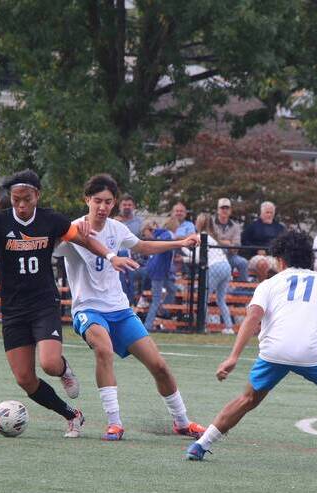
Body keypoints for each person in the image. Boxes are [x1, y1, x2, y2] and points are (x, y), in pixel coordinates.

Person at [0, 169, 139, 438]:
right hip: (13, 309)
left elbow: (85, 239)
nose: (20, 205)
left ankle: (65, 370)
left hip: (43, 302)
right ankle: (72, 415)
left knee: (50, 364)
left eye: (26, 199)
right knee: (25, 379)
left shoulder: (50, 220)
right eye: (16, 199)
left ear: (37, 196)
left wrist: (111, 256)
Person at [185, 230, 317, 467]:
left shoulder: (269, 284)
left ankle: (201, 445)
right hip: (312, 352)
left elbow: (252, 318)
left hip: (273, 352)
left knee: (248, 399)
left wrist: (233, 357)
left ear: (281, 260)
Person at [55, 174, 207, 440]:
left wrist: (180, 243)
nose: (102, 207)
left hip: (120, 310)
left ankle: (182, 422)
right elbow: (52, 246)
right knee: (104, 349)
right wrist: (63, 237)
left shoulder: (116, 228)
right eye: (97, 201)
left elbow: (143, 246)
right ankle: (114, 422)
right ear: (87, 200)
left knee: (158, 365)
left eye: (108, 202)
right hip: (88, 309)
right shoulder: (74, 229)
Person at [191, 212, 236, 335]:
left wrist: (184, 252)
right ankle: (229, 327)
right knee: (221, 299)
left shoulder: (201, 236)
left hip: (215, 267)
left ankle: (203, 326)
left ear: (200, 223)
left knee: (204, 298)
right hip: (226, 267)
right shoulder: (213, 237)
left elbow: (197, 258)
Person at [141, 220, 181, 332]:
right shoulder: (165, 235)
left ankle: (163, 310)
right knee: (156, 299)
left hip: (163, 271)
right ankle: (147, 325)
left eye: (146, 233)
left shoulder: (165, 234)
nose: (146, 236)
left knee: (172, 289)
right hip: (158, 271)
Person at [241, 201, 286, 280]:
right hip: (256, 256)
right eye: (267, 212)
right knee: (262, 264)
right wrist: (256, 250)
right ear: (261, 213)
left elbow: (283, 243)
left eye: (271, 213)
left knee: (283, 265)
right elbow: (244, 241)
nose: (269, 215)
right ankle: (263, 288)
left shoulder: (280, 228)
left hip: (274, 256)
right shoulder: (252, 226)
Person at [213, 198, 250, 285]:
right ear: (218, 210)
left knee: (243, 262)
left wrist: (220, 241)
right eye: (222, 208)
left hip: (230, 256)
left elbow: (236, 246)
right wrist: (227, 242)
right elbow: (210, 241)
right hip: (213, 256)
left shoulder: (236, 226)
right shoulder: (211, 223)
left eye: (227, 208)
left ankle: (242, 289)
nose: (225, 210)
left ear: (230, 211)